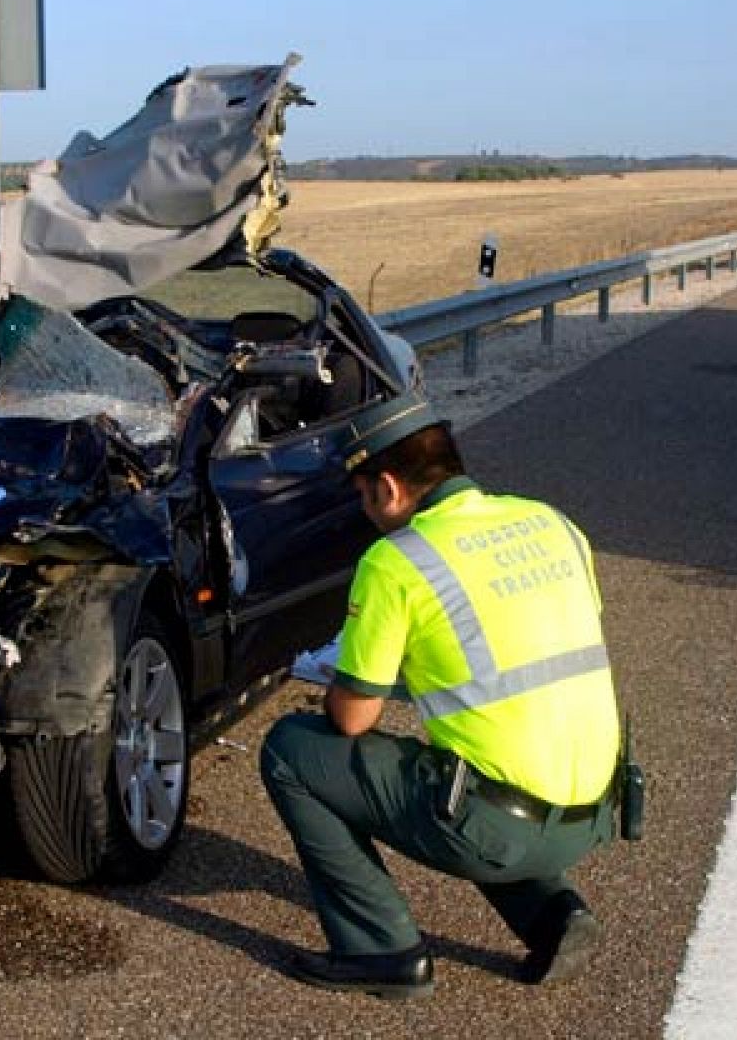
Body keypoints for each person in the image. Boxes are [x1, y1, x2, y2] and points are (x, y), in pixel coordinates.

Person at [259, 391, 625, 1000]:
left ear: (388, 489)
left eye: (361, 495)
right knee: (487, 764)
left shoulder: (397, 561)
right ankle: (554, 913)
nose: (365, 510)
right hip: (595, 812)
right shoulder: (554, 523)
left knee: (294, 749)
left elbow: (352, 719)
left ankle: (381, 952)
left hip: (499, 832)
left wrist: (347, 679)